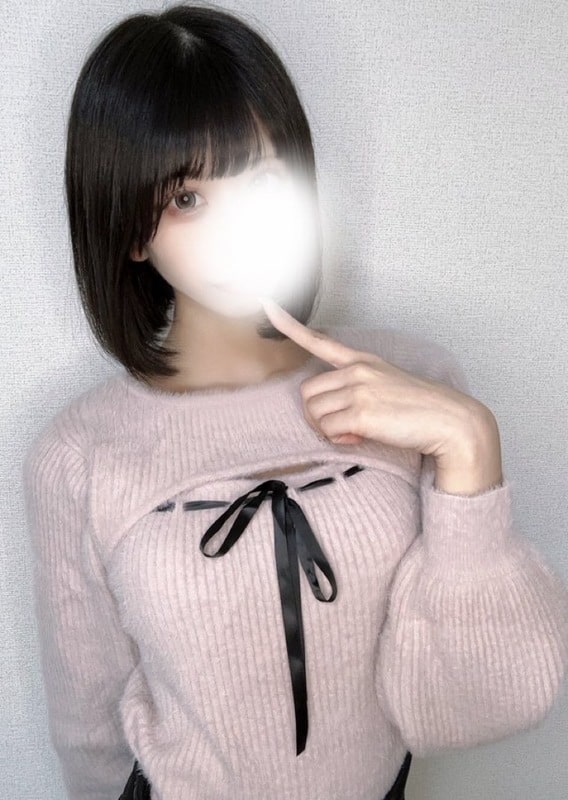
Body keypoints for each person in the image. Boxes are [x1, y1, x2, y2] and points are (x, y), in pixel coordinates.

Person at [22, 4, 568, 800]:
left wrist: (469, 443)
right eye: (187, 199)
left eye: (263, 180)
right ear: (130, 230)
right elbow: (90, 724)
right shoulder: (79, 453)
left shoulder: (415, 379)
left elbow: (479, 706)